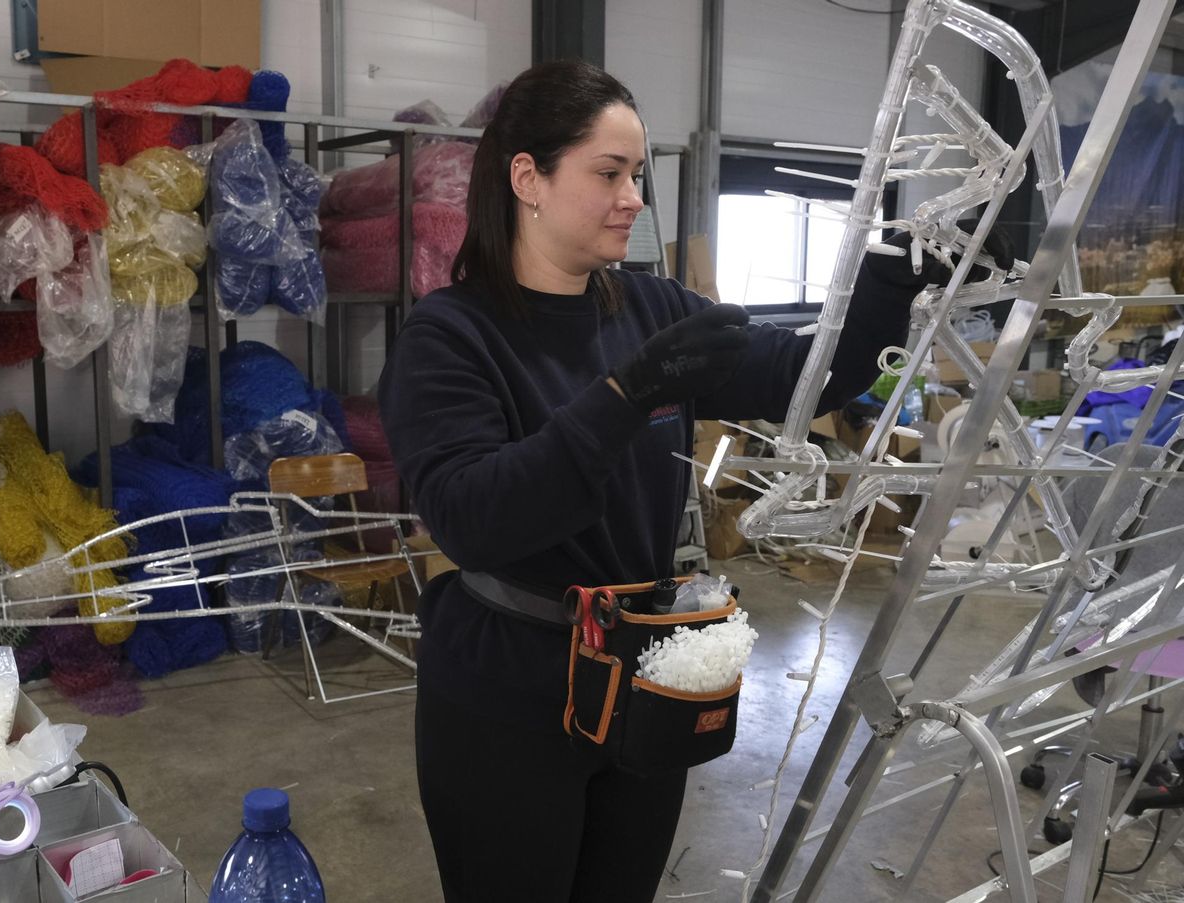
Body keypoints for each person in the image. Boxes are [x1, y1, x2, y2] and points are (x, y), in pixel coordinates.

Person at [376, 59, 1010, 902]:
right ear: (527, 177)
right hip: (508, 692)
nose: (633, 195)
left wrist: (887, 289)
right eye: (608, 173)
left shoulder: (649, 308)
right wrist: (624, 394)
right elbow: (473, 519)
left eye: (635, 173)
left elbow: (799, 380)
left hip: (648, 671)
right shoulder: (449, 335)